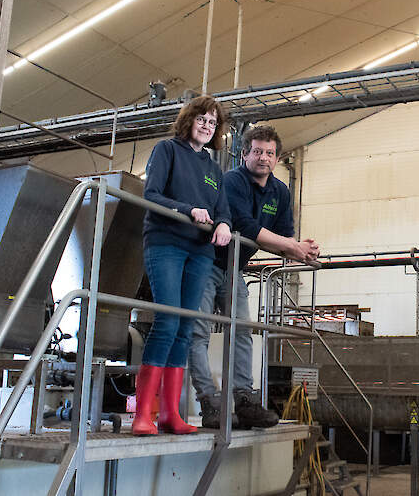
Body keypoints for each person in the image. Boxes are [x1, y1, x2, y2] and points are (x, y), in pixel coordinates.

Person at [189, 124, 320, 429]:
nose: (263, 158)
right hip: (204, 262)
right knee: (198, 332)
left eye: (270, 153)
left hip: (233, 268)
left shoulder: (280, 192)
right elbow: (245, 227)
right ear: (244, 154)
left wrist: (304, 250)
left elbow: (283, 237)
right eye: (257, 151)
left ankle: (244, 400)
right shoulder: (232, 181)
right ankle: (209, 402)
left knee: (243, 332)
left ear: (277, 158)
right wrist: (293, 247)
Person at [135, 95, 233, 436]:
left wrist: (223, 224)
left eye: (212, 122)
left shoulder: (213, 169)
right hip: (167, 243)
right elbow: (152, 194)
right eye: (202, 119)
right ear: (189, 120)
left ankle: (171, 415)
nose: (207, 126)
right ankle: (143, 414)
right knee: (167, 321)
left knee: (186, 326)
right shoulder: (167, 150)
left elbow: (222, 209)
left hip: (200, 250)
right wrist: (188, 209)